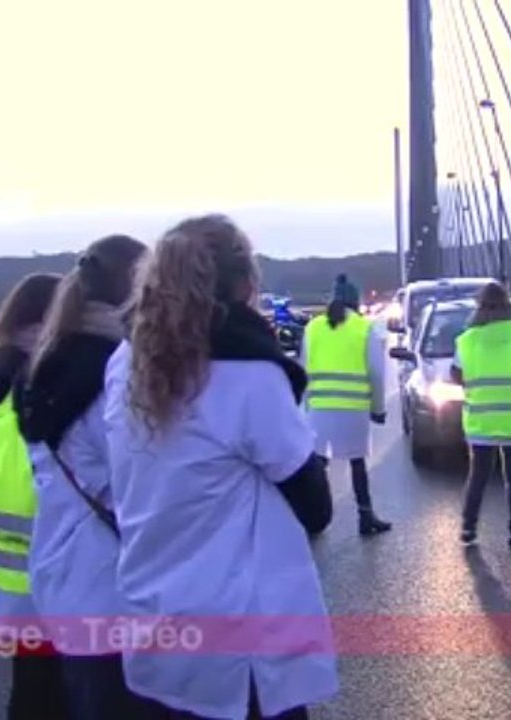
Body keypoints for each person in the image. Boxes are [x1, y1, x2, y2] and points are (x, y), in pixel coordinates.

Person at [111, 214, 336, 719]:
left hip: (156, 620)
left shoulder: (124, 364)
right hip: (240, 643)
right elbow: (315, 506)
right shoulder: (247, 374)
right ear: (244, 285)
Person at [14, 235, 147, 716]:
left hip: (61, 572)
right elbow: (136, 480)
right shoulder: (113, 370)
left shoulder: (45, 366)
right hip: (108, 584)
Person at [0, 272, 67, 720]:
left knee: (31, 685)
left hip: (6, 573)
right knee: (56, 693)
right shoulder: (42, 383)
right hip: (50, 567)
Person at [450, 282, 511, 550]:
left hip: (480, 419)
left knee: (478, 476)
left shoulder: (466, 339)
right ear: (508, 303)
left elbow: (456, 375)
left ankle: (468, 527)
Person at [303, 274, 392, 535]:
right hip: (352, 408)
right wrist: (378, 408)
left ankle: (311, 516)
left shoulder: (313, 326)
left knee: (319, 463)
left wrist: (307, 406)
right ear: (356, 301)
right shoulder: (365, 329)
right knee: (357, 462)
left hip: (319, 407)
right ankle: (366, 516)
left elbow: (304, 366)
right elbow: (376, 373)